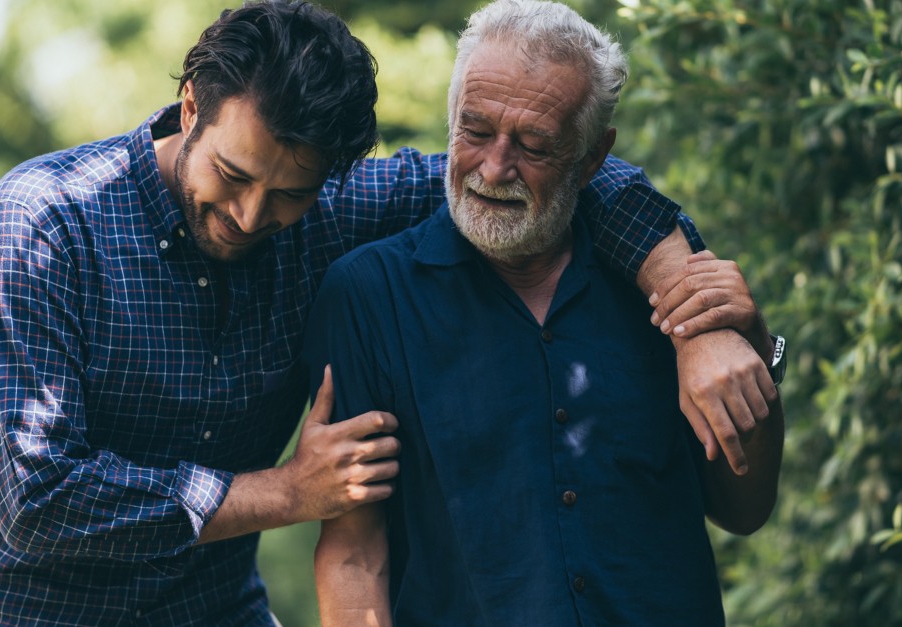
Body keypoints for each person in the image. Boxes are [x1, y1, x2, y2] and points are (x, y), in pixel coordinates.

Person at [0, 1, 771, 625]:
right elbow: (39, 496)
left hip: (208, 612)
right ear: (189, 108)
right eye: (234, 175)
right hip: (12, 613)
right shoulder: (43, 225)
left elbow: (554, 175)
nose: (251, 217)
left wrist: (694, 312)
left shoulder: (332, 207)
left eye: (287, 193)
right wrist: (287, 490)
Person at [302, 1, 786, 624]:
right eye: (474, 132)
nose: (495, 168)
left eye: (534, 145)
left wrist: (751, 345)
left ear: (592, 158)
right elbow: (353, 554)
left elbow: (743, 510)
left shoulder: (666, 287)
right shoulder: (368, 295)